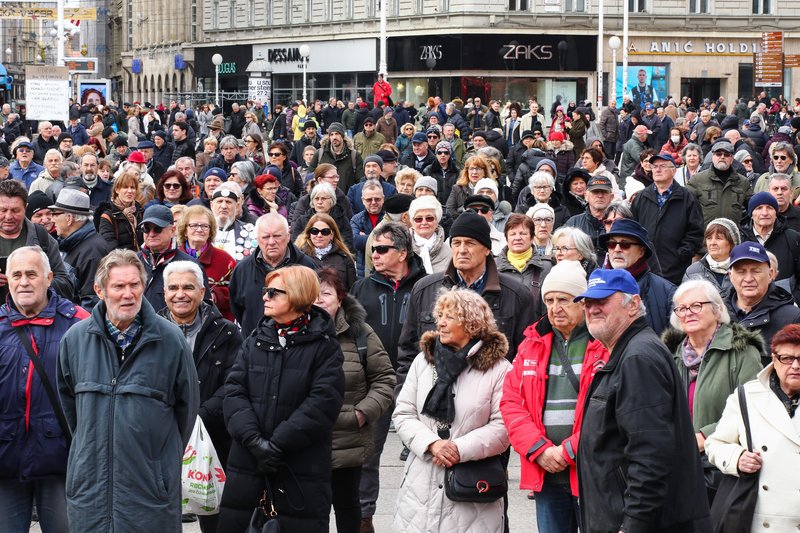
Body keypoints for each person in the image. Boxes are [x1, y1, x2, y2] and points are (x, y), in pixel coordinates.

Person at [57, 249, 200, 532]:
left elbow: (187, 412)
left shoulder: (170, 340)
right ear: (100, 290)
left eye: (135, 285)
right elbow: (70, 414)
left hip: (149, 494)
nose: (128, 294)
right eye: (119, 286)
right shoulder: (74, 340)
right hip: (91, 494)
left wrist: (157, 463)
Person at [574, 268, 711, 533]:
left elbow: (651, 454)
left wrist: (632, 525)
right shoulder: (630, 352)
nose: (592, 309)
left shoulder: (638, 357)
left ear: (633, 304)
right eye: (587, 302)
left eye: (602, 301)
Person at [217, 265, 345, 532]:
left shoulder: (324, 346)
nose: (264, 297)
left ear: (298, 296)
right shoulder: (255, 339)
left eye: (274, 292)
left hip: (300, 468)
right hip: (248, 464)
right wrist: (254, 441)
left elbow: (322, 403)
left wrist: (275, 445)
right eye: (266, 291)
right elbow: (233, 392)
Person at [501, 260, 610, 533]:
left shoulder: (603, 343)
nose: (555, 307)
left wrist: (570, 450)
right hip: (546, 472)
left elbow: (610, 409)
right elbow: (511, 403)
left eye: (563, 299)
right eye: (549, 300)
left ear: (582, 301)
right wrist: (539, 449)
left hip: (591, 473)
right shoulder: (531, 344)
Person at [392, 288, 512, 532]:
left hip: (471, 492)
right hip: (420, 488)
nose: (441, 323)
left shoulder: (500, 369)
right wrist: (431, 444)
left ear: (472, 323)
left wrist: (458, 449)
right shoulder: (424, 361)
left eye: (450, 317)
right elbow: (403, 413)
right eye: (440, 316)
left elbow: (504, 426)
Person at [0, 246, 90, 533]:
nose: (23, 282)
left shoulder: (79, 324)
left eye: (31, 274)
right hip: (6, 461)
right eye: (16, 275)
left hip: (61, 461)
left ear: (49, 278)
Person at [349, 222, 428, 532]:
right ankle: (363, 518)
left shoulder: (427, 285)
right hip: (373, 384)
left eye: (382, 249)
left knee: (425, 451)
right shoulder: (361, 288)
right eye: (373, 250)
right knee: (367, 453)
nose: (375, 255)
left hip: (419, 381)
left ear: (403, 252)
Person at [157, 260, 241, 533]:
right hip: (161, 438)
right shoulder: (150, 332)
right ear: (164, 292)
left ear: (202, 292)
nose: (180, 294)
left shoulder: (226, 332)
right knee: (162, 515)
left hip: (213, 439)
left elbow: (235, 382)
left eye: (188, 287)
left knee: (213, 514)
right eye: (173, 288)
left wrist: (198, 416)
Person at [662, 279, 763, 497]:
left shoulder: (742, 352)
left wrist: (704, 437)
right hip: (674, 464)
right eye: (682, 308)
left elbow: (753, 410)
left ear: (717, 310)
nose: (688, 312)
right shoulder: (670, 355)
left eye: (697, 305)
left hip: (721, 469)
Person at [313, 268, 395, 533]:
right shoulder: (293, 330)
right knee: (313, 510)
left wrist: (362, 414)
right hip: (307, 440)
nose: (319, 300)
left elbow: (384, 378)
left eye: (325, 293)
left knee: (349, 506)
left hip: (349, 438)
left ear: (340, 298)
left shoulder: (360, 333)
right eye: (313, 294)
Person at [705, 323, 800, 532]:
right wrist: (737, 458)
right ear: (774, 360)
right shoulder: (747, 396)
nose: (795, 366)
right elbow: (715, 443)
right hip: (761, 518)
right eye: (787, 358)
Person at [228, 212, 317, 335]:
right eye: (265, 237)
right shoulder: (242, 269)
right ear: (257, 238)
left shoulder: (307, 267)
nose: (271, 242)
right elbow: (237, 308)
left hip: (299, 343)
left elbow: (315, 306)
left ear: (288, 236)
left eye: (277, 236)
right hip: (255, 345)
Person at [631, 153, 704, 285]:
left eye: (663, 166)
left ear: (674, 170)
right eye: (655, 166)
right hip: (645, 267)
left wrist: (681, 254)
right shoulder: (641, 197)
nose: (657, 169)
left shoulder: (687, 197)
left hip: (676, 270)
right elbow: (633, 228)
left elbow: (696, 232)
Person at [723, 241, 800, 365]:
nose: (748, 279)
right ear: (731, 276)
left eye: (756, 271)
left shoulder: (792, 318)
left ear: (770, 274)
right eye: (741, 271)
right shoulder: (716, 315)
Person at [600, 218, 676, 335]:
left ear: (641, 251)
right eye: (612, 244)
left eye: (625, 244)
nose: (617, 249)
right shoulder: (595, 287)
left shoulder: (667, 293)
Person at [176, 204, 237, 321]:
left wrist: (216, 295)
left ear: (210, 231)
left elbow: (236, 291)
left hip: (216, 326)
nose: (199, 229)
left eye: (204, 226)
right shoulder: (174, 258)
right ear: (184, 230)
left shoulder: (225, 259)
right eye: (194, 225)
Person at [50, 189, 108, 310]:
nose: (52, 219)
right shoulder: (69, 244)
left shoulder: (93, 252)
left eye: (55, 214)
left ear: (69, 218)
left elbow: (92, 305)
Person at [741, 191, 800, 300]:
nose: (764, 213)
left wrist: (793, 302)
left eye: (769, 208)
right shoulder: (739, 240)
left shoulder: (793, 238)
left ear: (776, 213)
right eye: (759, 208)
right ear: (751, 214)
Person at [496, 212, 553, 320]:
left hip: (535, 333)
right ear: (506, 238)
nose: (518, 238)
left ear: (532, 237)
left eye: (523, 233)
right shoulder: (493, 266)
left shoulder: (546, 267)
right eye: (513, 234)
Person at [686, 140, 752, 226]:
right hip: (706, 236)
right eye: (718, 154)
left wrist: (742, 227)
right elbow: (684, 205)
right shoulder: (697, 180)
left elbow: (753, 208)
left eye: (726, 154)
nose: (722, 157)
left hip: (732, 236)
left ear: (732, 158)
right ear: (713, 157)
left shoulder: (743, 182)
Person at [295, 212, 357, 290]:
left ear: (332, 235)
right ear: (309, 234)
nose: (319, 235)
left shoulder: (344, 257)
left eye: (325, 231)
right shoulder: (300, 257)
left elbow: (352, 290)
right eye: (314, 231)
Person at [683, 218, 740, 292]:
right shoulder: (693, 271)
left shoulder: (742, 269)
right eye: (709, 238)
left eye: (718, 238)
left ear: (732, 242)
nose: (712, 243)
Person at [96, 170, 144, 251]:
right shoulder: (108, 216)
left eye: (132, 187)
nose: (129, 191)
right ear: (117, 190)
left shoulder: (140, 211)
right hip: (121, 260)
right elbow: (110, 246)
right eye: (125, 187)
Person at [408, 195, 451, 274]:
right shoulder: (403, 248)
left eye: (429, 218)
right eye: (418, 219)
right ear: (412, 222)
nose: (424, 222)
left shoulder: (449, 252)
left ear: (436, 221)